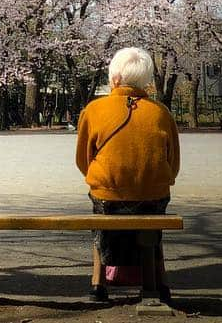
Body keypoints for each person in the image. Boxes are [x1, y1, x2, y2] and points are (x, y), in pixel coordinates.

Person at [75, 47, 180, 304]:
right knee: (153, 223)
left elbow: (82, 161)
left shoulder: (94, 110)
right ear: (146, 80)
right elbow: (173, 165)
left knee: (100, 219)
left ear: (114, 78)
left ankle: (98, 283)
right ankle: (160, 283)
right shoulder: (161, 113)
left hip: (108, 196)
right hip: (153, 196)